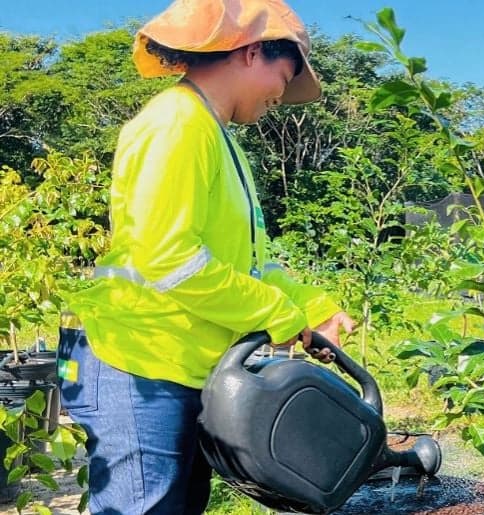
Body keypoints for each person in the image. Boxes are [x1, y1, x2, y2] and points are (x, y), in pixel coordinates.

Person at [56, 0, 355, 513]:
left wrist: (312, 305)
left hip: (180, 364)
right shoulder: (177, 125)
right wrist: (279, 315)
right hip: (140, 366)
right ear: (252, 52)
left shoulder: (218, 138)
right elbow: (169, 258)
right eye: (282, 78)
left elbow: (250, 268)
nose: (280, 97)